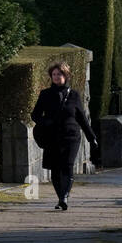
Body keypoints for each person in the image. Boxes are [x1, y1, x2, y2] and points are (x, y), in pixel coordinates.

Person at [31, 60, 100, 210]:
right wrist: (45, 122)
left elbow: (82, 118)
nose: (56, 77)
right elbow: (35, 115)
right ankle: (60, 197)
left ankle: (64, 197)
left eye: (59, 74)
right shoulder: (45, 94)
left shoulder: (74, 95)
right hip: (52, 136)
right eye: (54, 74)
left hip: (71, 136)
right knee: (55, 168)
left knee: (67, 165)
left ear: (66, 75)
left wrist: (92, 137)